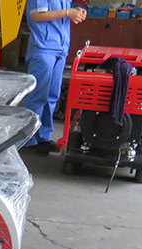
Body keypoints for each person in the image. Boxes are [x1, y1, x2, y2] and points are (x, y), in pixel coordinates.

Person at [23, 0, 86, 155]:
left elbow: (60, 14)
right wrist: (67, 12)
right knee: (37, 96)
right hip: (43, 48)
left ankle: (44, 136)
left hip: (60, 49)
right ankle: (28, 139)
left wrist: (75, 12)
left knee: (52, 95)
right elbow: (37, 15)